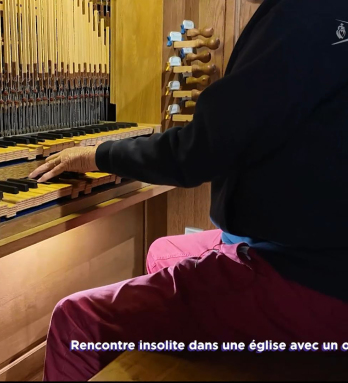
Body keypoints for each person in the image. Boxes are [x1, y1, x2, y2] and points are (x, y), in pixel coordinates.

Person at [29, 0, 348, 380]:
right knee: (165, 251)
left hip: (313, 277)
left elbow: (196, 154)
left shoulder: (302, 13)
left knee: (76, 321)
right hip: (317, 250)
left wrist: (99, 154)